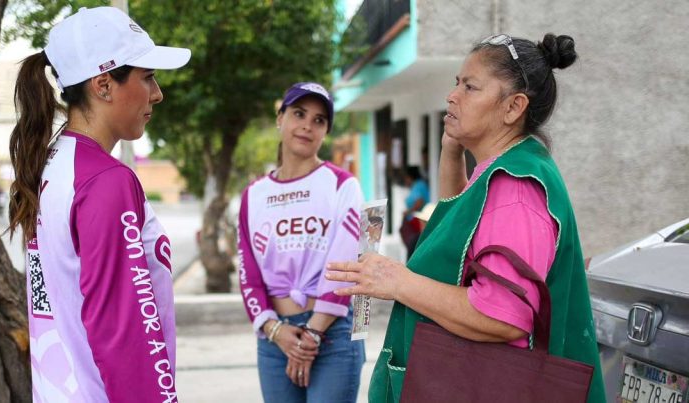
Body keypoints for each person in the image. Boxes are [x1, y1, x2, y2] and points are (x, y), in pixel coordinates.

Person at [326, 33, 606, 403]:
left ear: (513, 107)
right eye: (456, 83)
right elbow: (456, 235)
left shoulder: (516, 188)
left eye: (470, 87)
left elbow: (503, 316)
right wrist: (450, 151)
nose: (452, 95)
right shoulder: (497, 170)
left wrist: (396, 280)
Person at [6, 7, 191, 402]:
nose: (158, 93)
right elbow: (123, 329)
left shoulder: (53, 164)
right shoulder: (106, 180)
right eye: (147, 77)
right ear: (103, 85)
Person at [237, 82, 365, 402]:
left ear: (325, 132)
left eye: (319, 120)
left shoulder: (343, 186)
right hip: (275, 337)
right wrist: (275, 331)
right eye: (299, 113)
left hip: (332, 334)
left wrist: (312, 334)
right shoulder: (253, 196)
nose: (308, 125)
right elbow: (248, 276)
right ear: (280, 118)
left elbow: (345, 267)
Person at [400, 165, 429, 257]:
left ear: (410, 177)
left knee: (414, 245)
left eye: (406, 178)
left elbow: (419, 202)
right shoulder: (415, 186)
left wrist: (408, 212)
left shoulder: (419, 185)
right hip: (413, 222)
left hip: (417, 222)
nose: (405, 181)